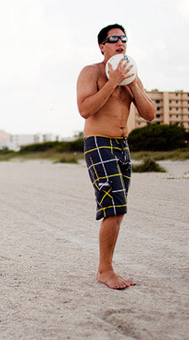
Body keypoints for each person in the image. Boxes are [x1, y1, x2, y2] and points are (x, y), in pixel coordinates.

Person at [76, 24, 156, 289]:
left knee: (118, 211)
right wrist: (112, 81)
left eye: (124, 39)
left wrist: (132, 83)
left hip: (122, 145)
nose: (120, 42)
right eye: (114, 39)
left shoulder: (131, 76)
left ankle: (105, 267)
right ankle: (105, 270)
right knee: (114, 206)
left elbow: (149, 113)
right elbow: (85, 109)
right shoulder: (92, 72)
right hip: (98, 142)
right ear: (102, 46)